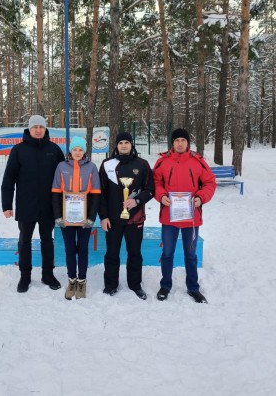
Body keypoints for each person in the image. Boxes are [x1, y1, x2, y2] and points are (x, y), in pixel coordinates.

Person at [1, 115, 65, 293]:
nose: (38, 130)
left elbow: (64, 176)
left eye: (41, 127)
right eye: (35, 127)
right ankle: (25, 276)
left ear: (45, 129)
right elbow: (9, 179)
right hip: (26, 204)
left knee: (47, 240)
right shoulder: (18, 150)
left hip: (48, 205)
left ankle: (47, 274)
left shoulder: (54, 149)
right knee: (25, 241)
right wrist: (6, 205)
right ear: (29, 129)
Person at [153, 128, 216, 303]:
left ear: (188, 143)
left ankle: (193, 288)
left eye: (183, 140)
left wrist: (201, 198)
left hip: (191, 217)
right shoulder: (162, 162)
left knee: (190, 255)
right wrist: (162, 196)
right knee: (167, 253)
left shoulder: (198, 162)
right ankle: (165, 285)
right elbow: (156, 182)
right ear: (172, 143)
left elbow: (210, 182)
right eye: (176, 140)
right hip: (169, 217)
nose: (180, 143)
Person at [98, 132, 154, 300]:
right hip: (113, 220)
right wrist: (103, 216)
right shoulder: (107, 164)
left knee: (135, 253)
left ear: (132, 145)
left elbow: (150, 190)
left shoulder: (142, 165)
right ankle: (110, 285)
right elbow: (101, 193)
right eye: (121, 142)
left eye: (127, 142)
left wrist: (136, 201)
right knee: (112, 253)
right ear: (116, 145)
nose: (124, 145)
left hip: (135, 219)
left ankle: (135, 284)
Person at [52, 136, 101, 300]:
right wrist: (58, 216)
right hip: (66, 218)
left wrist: (91, 217)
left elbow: (95, 195)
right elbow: (56, 193)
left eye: (80, 149)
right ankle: (71, 280)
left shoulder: (92, 167)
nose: (78, 152)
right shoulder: (61, 166)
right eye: (75, 149)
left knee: (82, 248)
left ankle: (82, 281)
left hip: (84, 218)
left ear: (84, 151)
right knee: (69, 249)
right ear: (70, 151)